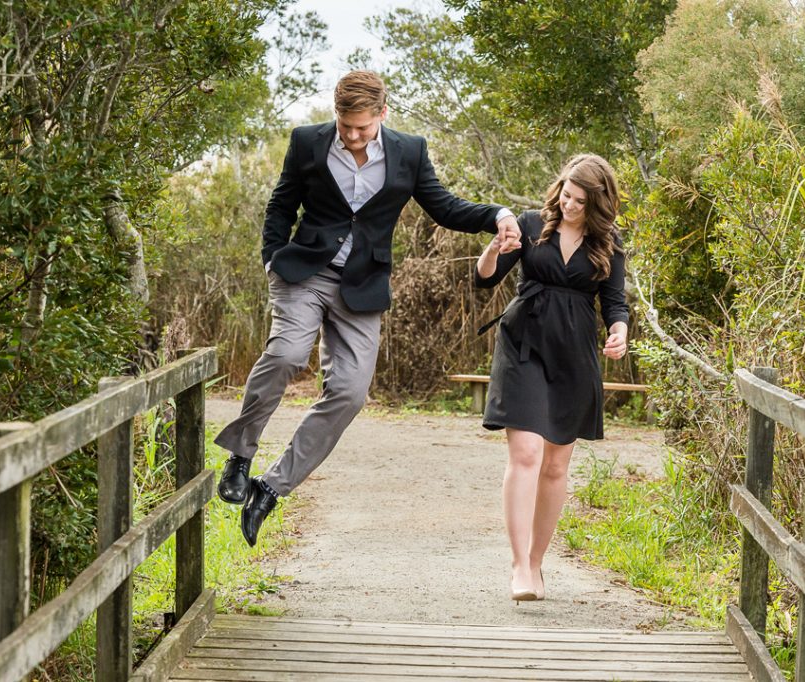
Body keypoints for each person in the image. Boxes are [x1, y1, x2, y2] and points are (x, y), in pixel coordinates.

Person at [214, 70, 522, 547]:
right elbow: (281, 206)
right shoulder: (307, 143)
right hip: (304, 274)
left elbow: (444, 206)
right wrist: (272, 257)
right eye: (345, 125)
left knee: (351, 393)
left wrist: (498, 215)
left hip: (362, 285)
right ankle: (240, 454)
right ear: (335, 114)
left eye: (362, 126)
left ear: (382, 113)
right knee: (287, 355)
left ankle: (271, 487)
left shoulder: (409, 151)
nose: (352, 136)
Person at [474, 154, 629, 601]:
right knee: (525, 452)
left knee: (556, 464)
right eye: (566, 195)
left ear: (597, 203)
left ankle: (538, 563)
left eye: (581, 201)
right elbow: (486, 279)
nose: (571, 206)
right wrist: (492, 249)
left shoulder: (609, 243)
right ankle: (519, 565)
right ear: (559, 188)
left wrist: (618, 332)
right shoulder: (528, 224)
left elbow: (614, 303)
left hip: (574, 353)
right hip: (522, 343)